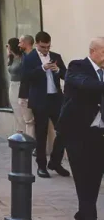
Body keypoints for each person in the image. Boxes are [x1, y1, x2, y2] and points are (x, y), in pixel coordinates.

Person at [58, 38, 104, 220]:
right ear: (94, 51)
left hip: (99, 135)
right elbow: (87, 86)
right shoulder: (77, 67)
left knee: (94, 180)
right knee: (83, 180)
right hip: (76, 133)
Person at [22, 30, 69, 179]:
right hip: (39, 100)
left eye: (48, 47)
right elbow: (27, 77)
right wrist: (42, 68)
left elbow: (66, 75)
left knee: (64, 130)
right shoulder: (29, 58)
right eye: (43, 47)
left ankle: (55, 162)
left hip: (56, 98)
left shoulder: (56, 57)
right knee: (41, 134)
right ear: (36, 44)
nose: (46, 50)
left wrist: (58, 70)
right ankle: (41, 166)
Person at [6, 37, 28, 132]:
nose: (7, 48)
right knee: (16, 111)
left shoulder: (22, 58)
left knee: (22, 111)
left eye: (8, 46)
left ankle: (25, 133)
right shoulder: (12, 58)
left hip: (20, 85)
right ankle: (20, 132)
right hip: (12, 86)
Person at [16, 34, 36, 139]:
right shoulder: (24, 56)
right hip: (24, 93)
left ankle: (31, 144)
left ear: (25, 43)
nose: (19, 44)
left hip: (30, 93)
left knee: (30, 121)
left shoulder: (34, 56)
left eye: (20, 42)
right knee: (28, 121)